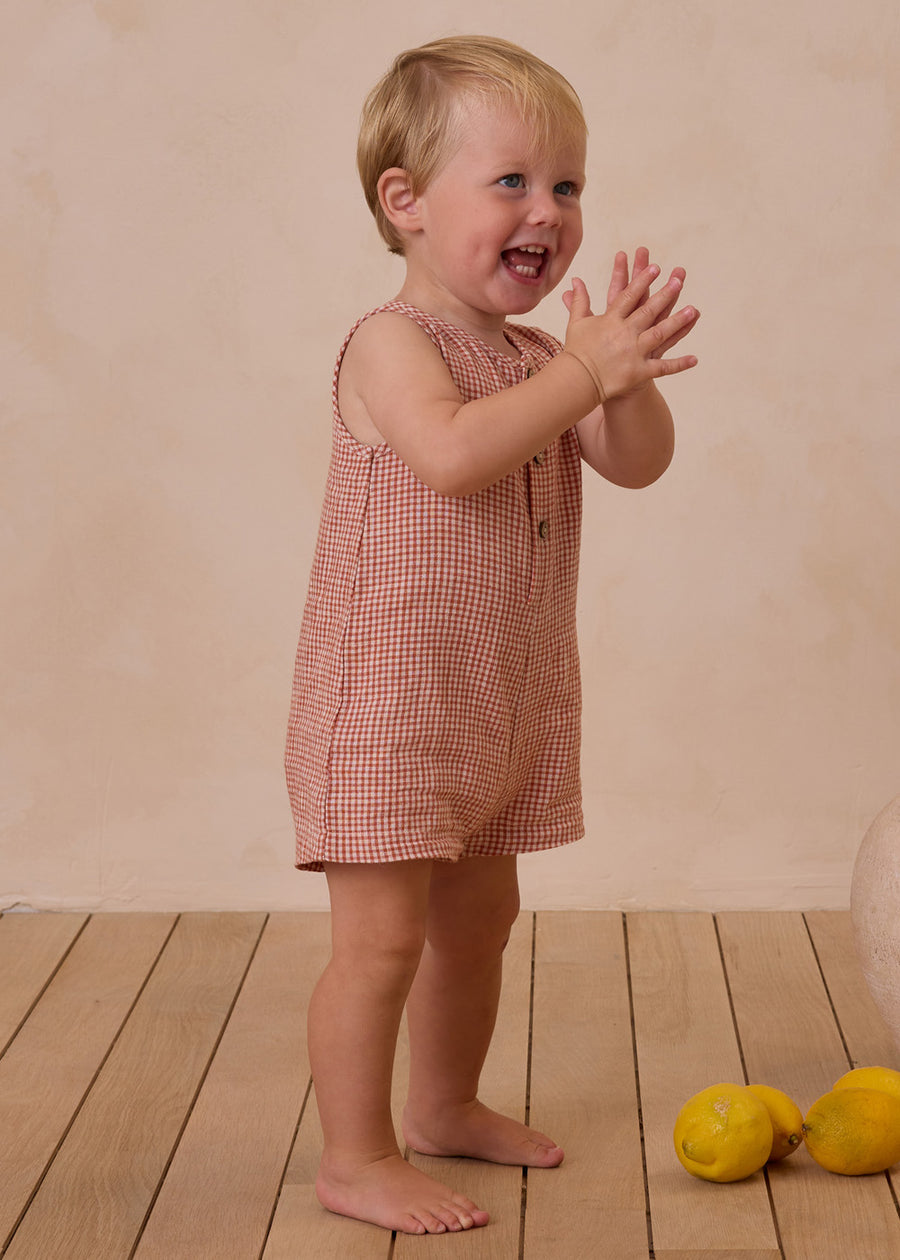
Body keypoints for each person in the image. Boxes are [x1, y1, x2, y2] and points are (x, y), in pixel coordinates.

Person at [284, 35, 699, 1236]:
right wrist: (581, 370)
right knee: (378, 947)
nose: (549, 210)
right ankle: (354, 1155)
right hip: (388, 704)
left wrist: (619, 378)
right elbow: (456, 455)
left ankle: (444, 1105)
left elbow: (637, 465)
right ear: (405, 205)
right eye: (512, 181)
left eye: (567, 185)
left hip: (494, 704)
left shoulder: (535, 357)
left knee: (481, 921)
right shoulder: (390, 343)